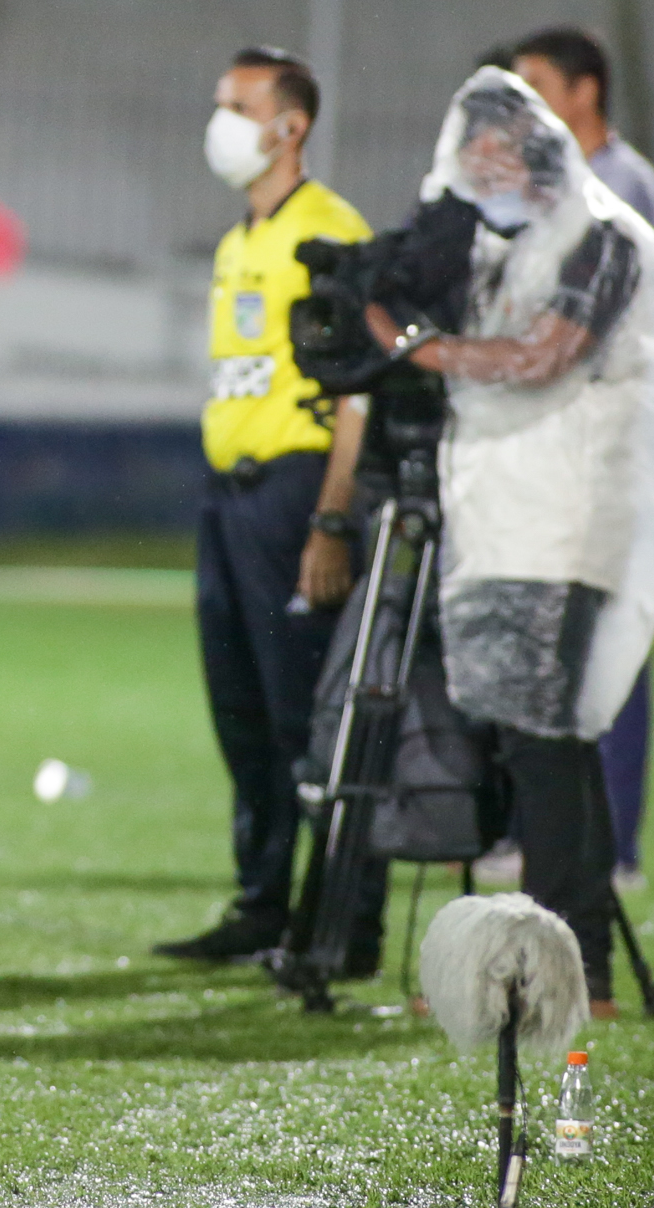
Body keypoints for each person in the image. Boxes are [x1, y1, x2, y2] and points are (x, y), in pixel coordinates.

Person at [365, 67, 654, 1015]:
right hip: (508, 521)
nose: (477, 169)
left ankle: (570, 972)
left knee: (544, 747)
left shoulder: (601, 240)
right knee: (527, 747)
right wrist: (384, 304)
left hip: (568, 526)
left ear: (539, 152)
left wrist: (403, 341)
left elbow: (537, 358)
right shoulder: (504, 250)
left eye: (493, 150)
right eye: (467, 152)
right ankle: (539, 967)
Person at [153, 47, 382, 971]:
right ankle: (261, 904)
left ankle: (338, 924)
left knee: (306, 716)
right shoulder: (238, 239)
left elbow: (359, 391)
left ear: (290, 127)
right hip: (229, 494)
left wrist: (332, 519)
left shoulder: (331, 231)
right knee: (240, 709)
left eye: (237, 106)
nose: (222, 122)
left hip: (295, 494)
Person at [509, 27, 654, 893]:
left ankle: (613, 848)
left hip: (606, 452)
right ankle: (545, 837)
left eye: (536, 83)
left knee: (610, 639)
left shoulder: (622, 183)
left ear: (584, 92)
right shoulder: (555, 186)